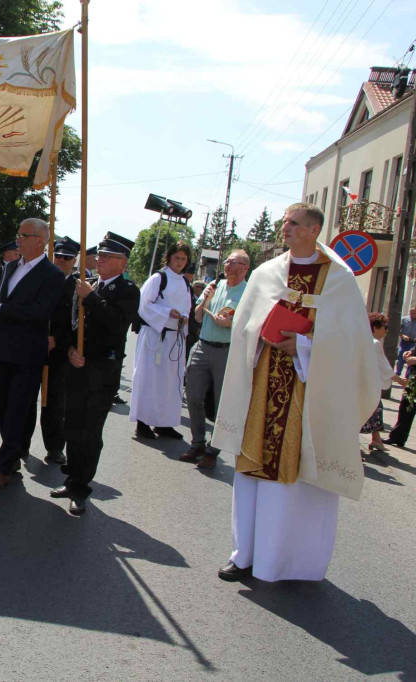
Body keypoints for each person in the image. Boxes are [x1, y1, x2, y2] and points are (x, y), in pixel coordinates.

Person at [211, 203, 380, 583]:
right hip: (261, 390)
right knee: (253, 471)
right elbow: (243, 328)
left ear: (315, 229)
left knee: (299, 478)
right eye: (284, 222)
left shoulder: (338, 279)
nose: (285, 228)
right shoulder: (267, 272)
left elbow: (353, 345)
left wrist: (303, 345)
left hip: (311, 395)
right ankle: (245, 554)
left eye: (294, 223)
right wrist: (263, 334)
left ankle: (290, 561)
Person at [51, 232, 139, 514]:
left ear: (122, 263)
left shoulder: (127, 290)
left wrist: (91, 298)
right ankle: (72, 476)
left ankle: (81, 488)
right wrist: (68, 350)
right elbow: (68, 325)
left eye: (107, 257)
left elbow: (116, 324)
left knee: (90, 431)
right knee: (72, 424)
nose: (99, 260)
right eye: (98, 255)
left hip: (102, 371)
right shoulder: (85, 285)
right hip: (77, 366)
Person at [0, 218, 65, 490]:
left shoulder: (52, 275)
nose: (18, 240)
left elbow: (39, 312)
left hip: (28, 354)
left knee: (17, 410)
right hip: (3, 349)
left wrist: (1, 309)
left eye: (24, 235)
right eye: (18, 234)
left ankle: (3, 467)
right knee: (4, 409)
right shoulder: (9, 267)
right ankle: (14, 452)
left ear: (40, 241)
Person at [181, 250, 250, 469]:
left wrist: (232, 322)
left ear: (245, 267)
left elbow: (252, 322)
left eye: (234, 262)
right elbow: (198, 316)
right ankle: (197, 442)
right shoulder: (215, 286)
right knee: (193, 396)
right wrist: (205, 301)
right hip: (203, 345)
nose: (228, 265)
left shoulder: (249, 292)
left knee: (222, 403)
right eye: (227, 261)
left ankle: (213, 449)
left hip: (228, 351)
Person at [129, 241, 193, 440]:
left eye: (184, 259)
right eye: (177, 258)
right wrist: (167, 313)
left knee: (170, 382)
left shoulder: (184, 282)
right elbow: (143, 304)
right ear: (169, 257)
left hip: (175, 337)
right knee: (149, 379)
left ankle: (164, 423)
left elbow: (187, 308)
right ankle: (142, 422)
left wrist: (184, 319)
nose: (180, 262)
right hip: (156, 336)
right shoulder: (159, 278)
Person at [41, 235, 80, 465]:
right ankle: (20, 446)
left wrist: (59, 339)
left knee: (55, 403)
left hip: (59, 353)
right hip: (35, 347)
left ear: (75, 260)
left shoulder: (77, 287)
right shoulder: (42, 279)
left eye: (67, 257)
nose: (62, 260)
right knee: (25, 401)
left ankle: (55, 447)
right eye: (59, 255)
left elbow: (77, 324)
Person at [362, 313, 403, 454]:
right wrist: (401, 381)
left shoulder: (366, 340)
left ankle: (376, 439)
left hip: (364, 383)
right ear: (376, 327)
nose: (386, 330)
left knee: (375, 410)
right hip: (367, 385)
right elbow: (384, 368)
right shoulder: (374, 343)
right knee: (368, 411)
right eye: (385, 327)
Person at [396, 307, 416, 375]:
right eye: (410, 313)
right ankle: (398, 373)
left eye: (413, 313)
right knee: (400, 355)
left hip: (413, 343)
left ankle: (407, 377)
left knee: (411, 359)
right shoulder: (404, 319)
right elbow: (397, 330)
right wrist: (403, 336)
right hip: (404, 342)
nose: (411, 315)